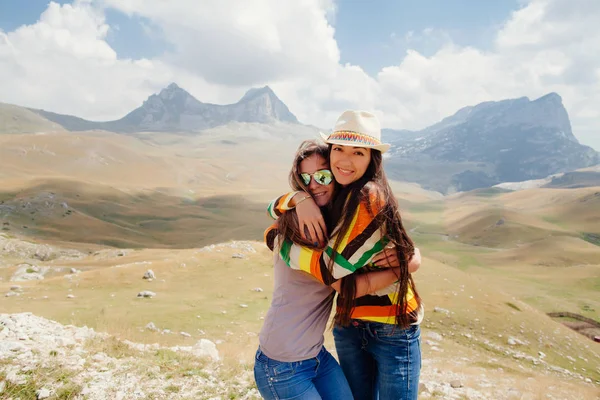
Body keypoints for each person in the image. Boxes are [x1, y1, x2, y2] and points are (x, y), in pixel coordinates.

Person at [266, 110, 423, 400]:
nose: (345, 161)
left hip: (393, 327)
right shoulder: (332, 199)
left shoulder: (368, 195)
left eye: (358, 153)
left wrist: (407, 263)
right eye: (338, 149)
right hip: (349, 324)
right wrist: (296, 198)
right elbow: (271, 221)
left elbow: (332, 273)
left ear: (372, 158)